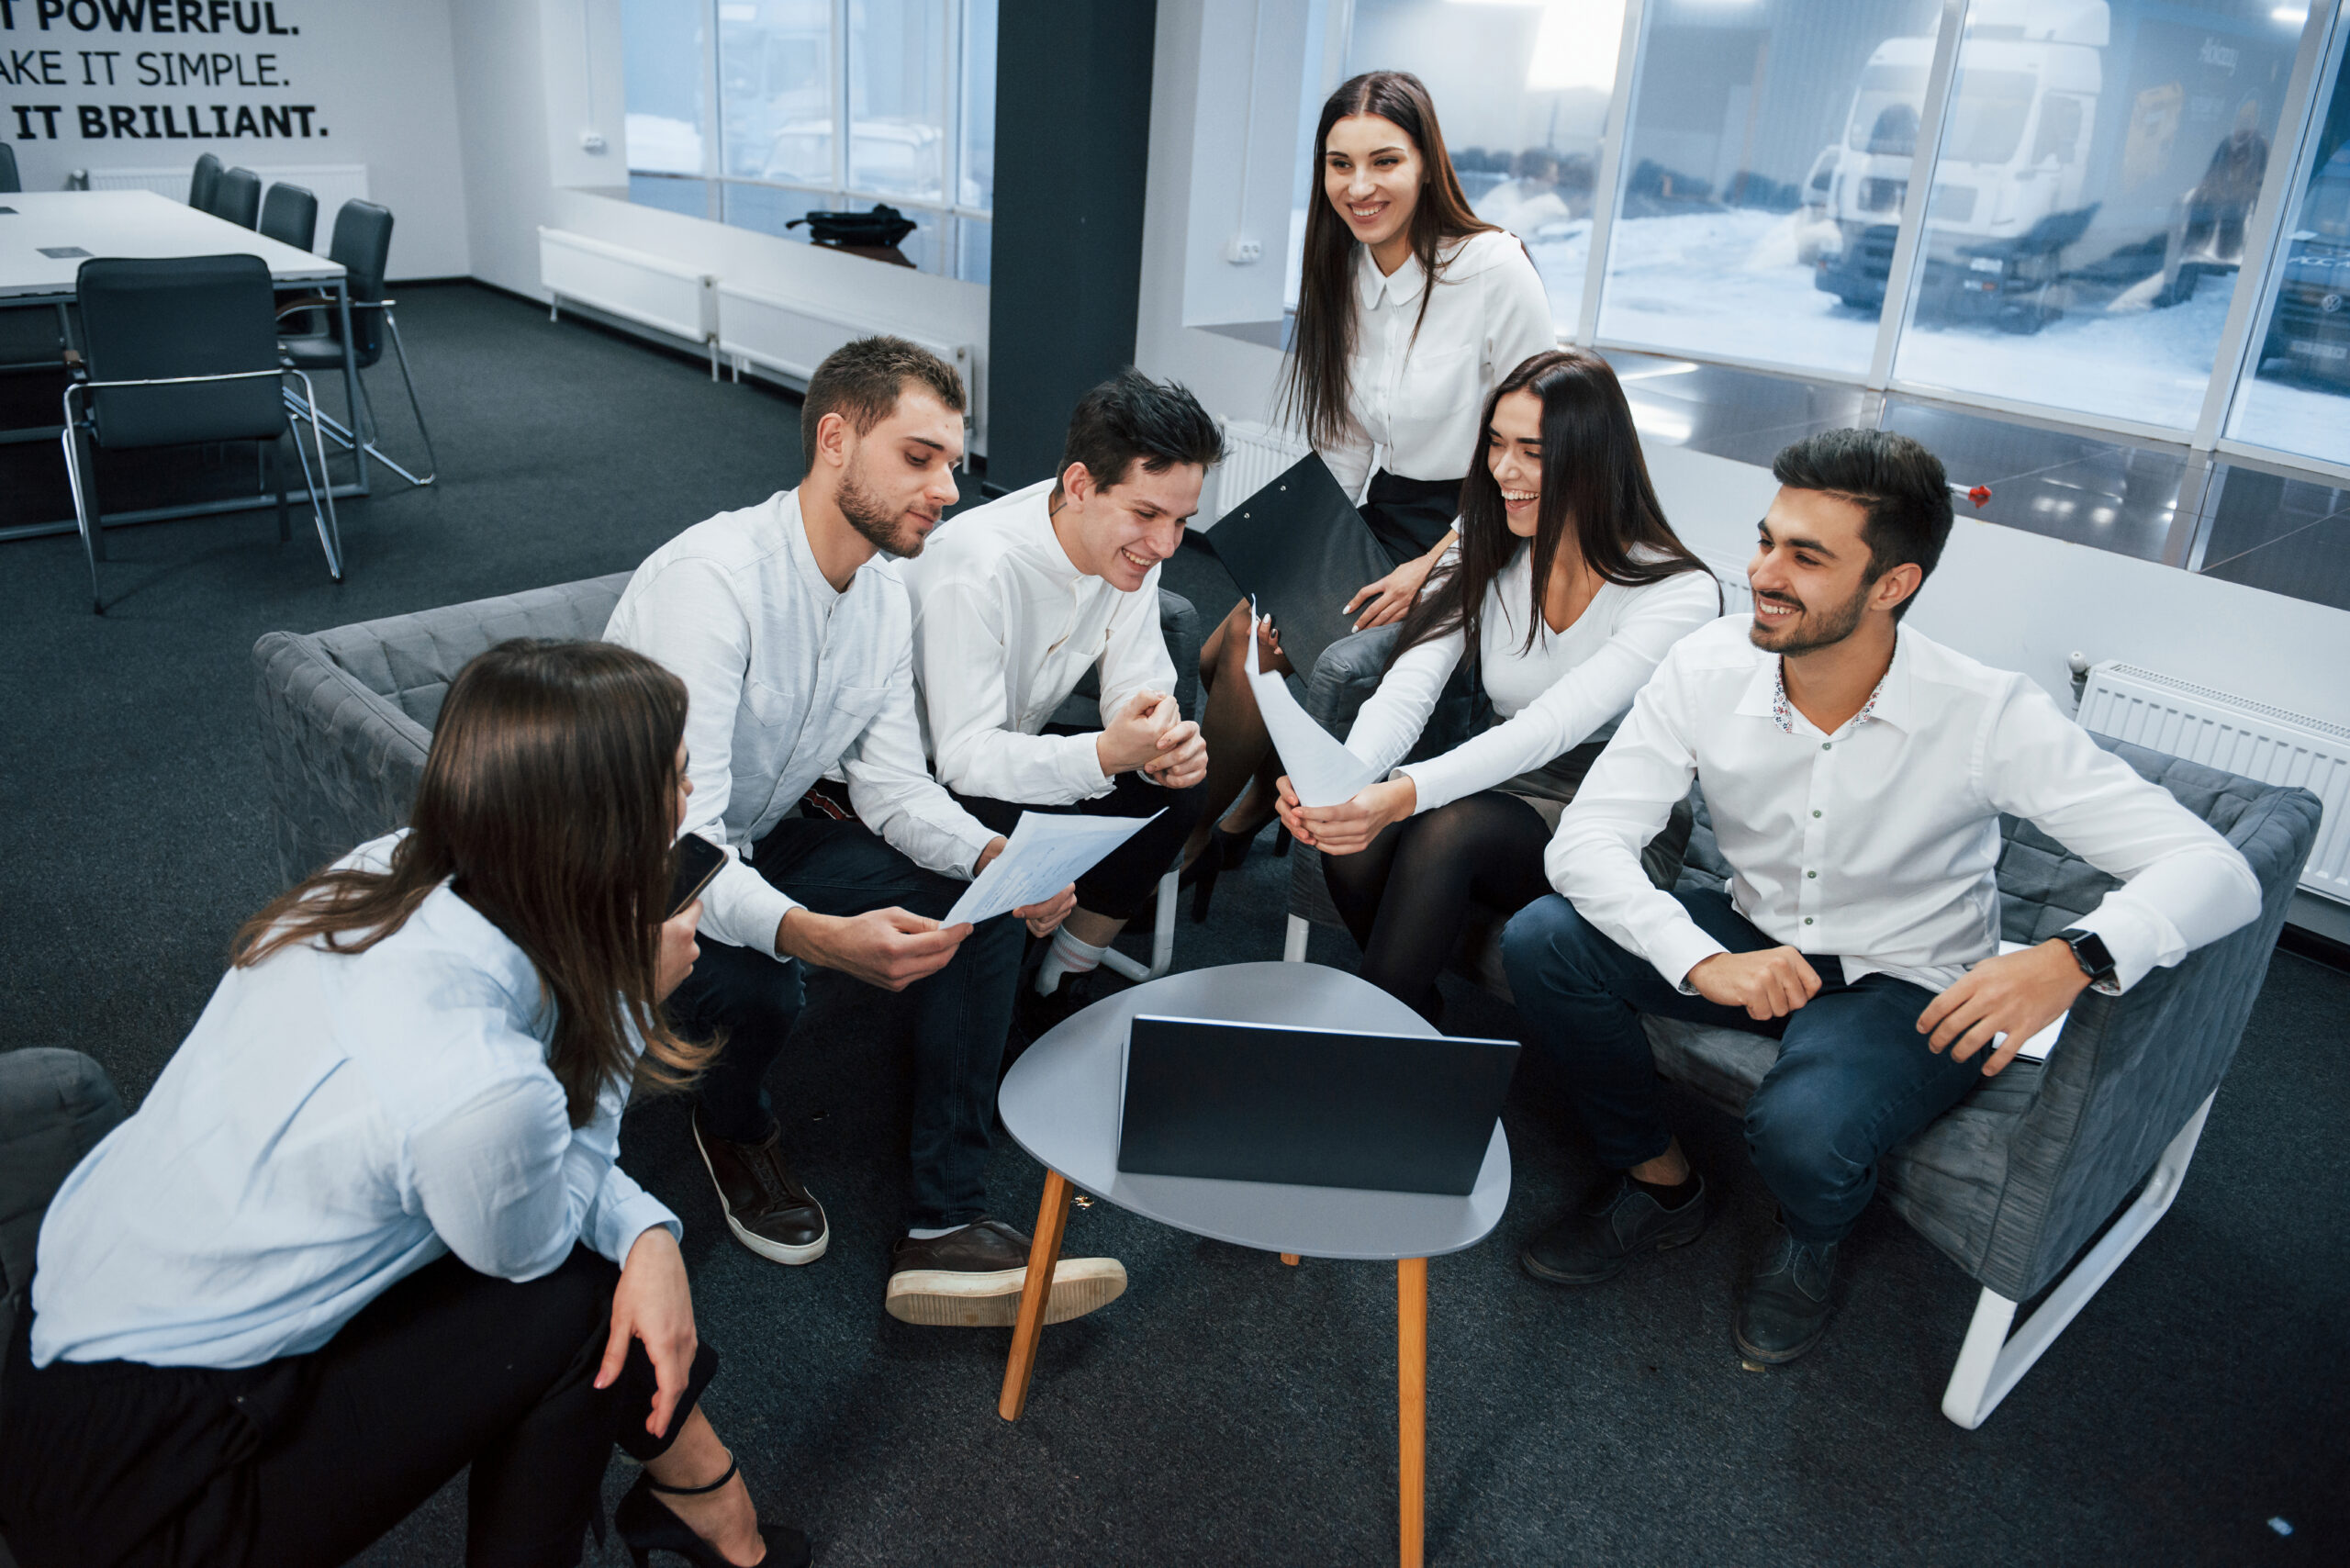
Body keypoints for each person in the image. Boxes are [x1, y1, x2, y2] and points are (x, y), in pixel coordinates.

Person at [0, 640, 804, 1568]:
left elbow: (522, 1148)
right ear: (608, 830)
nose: (690, 797)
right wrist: (624, 1010)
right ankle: (709, 1513)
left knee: (597, 1259)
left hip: (45, 1355)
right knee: (578, 1306)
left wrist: (648, 1233)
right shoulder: (476, 1080)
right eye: (678, 776)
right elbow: (530, 1226)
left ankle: (705, 1504)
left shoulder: (381, 876)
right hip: (143, 1489)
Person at [1500, 429, 2263, 1364]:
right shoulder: (1706, 668)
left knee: (1802, 1132)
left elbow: (2219, 871)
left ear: (1891, 584)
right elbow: (1589, 838)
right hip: (1751, 935)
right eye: (1766, 539)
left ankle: (1810, 1240)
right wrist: (1701, 956)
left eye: (1805, 556)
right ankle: (1661, 1185)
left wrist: (2074, 957)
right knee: (1544, 940)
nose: (1762, 572)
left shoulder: (1987, 713)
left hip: (1907, 980)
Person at [604, 335, 1125, 1329]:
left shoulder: (883, 590)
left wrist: (991, 859)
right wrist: (810, 933)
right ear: (835, 440)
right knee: (764, 982)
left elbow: (889, 786)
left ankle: (945, 1222)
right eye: (918, 457)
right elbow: (684, 841)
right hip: (637, 862)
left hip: (768, 827)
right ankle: (735, 1122)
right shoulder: (713, 584)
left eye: (952, 464)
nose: (948, 488)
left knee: (980, 907)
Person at [1184, 69, 1559, 902]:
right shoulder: (1343, 271)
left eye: (1384, 161)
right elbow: (1349, 445)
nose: (1359, 187)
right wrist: (1293, 547)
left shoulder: (1493, 269)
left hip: (1488, 522)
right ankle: (1237, 812)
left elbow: (1544, 451)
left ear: (1427, 164)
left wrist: (1438, 560)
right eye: (1338, 164)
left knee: (1254, 656)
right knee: (1238, 636)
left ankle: (1187, 843)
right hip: (1387, 508)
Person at [1274, 348, 1719, 1024]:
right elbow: (1409, 684)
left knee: (1446, 828)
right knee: (1356, 836)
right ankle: (1409, 1023)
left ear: (1592, 459)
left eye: (1533, 452)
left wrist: (1398, 794)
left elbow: (1555, 724)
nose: (1503, 471)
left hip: (1611, 811)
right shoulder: (1486, 537)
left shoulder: (1676, 591)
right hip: (1502, 780)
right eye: (1496, 444)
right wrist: (1345, 781)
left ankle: (1368, 1046)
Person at [901, 369, 1222, 1026]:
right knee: (1010, 805)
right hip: (927, 777)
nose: (1165, 545)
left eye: (1182, 521)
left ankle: (1065, 972)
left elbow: (1138, 675)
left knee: (1178, 790)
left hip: (1013, 749)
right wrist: (1106, 754)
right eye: (1148, 514)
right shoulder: (976, 567)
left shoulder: (1132, 547)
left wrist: (1157, 728)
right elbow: (962, 758)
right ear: (1079, 486)